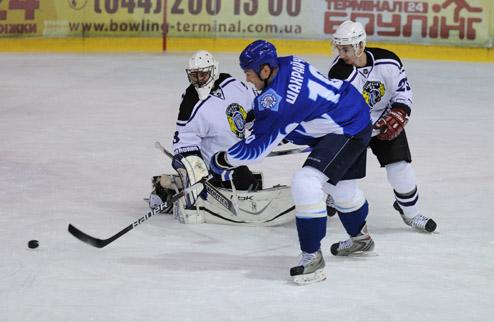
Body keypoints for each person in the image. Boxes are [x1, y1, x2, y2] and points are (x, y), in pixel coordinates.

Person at [209, 40, 377, 285]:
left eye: (249, 74)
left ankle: (312, 258)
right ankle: (361, 238)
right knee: (340, 187)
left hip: (345, 128)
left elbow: (256, 152)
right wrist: (258, 115)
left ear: (265, 70)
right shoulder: (288, 62)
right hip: (350, 109)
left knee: (305, 181)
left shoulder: (281, 105)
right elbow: (284, 101)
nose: (248, 80)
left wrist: (222, 160)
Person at [149, 50, 295, 226]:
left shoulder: (230, 83)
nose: (198, 80)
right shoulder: (190, 103)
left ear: (214, 71)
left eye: (203, 75)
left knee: (247, 185)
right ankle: (169, 189)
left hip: (234, 156)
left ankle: (173, 184)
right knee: (244, 186)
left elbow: (251, 113)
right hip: (214, 165)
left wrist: (274, 130)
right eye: (194, 76)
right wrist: (196, 170)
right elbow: (184, 144)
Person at [328, 20, 437, 233]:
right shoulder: (338, 73)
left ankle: (411, 214)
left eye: (346, 49)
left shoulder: (389, 62)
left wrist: (399, 112)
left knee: (401, 170)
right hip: (354, 128)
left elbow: (402, 92)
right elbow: (336, 108)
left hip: (384, 121)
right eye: (338, 49)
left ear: (360, 46)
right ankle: (335, 194)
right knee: (342, 171)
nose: (341, 54)